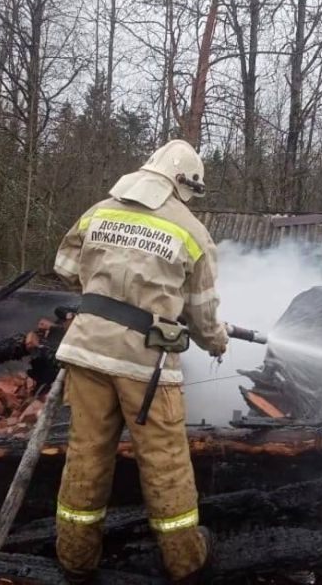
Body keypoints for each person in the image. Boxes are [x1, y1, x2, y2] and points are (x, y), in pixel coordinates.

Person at [51, 139, 228, 584]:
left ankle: (76, 558)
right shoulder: (191, 230)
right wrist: (217, 342)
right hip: (144, 367)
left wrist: (110, 290)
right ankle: (185, 561)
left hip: (86, 351)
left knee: (86, 454)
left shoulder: (99, 211)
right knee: (166, 459)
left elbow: (66, 267)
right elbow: (204, 316)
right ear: (185, 184)